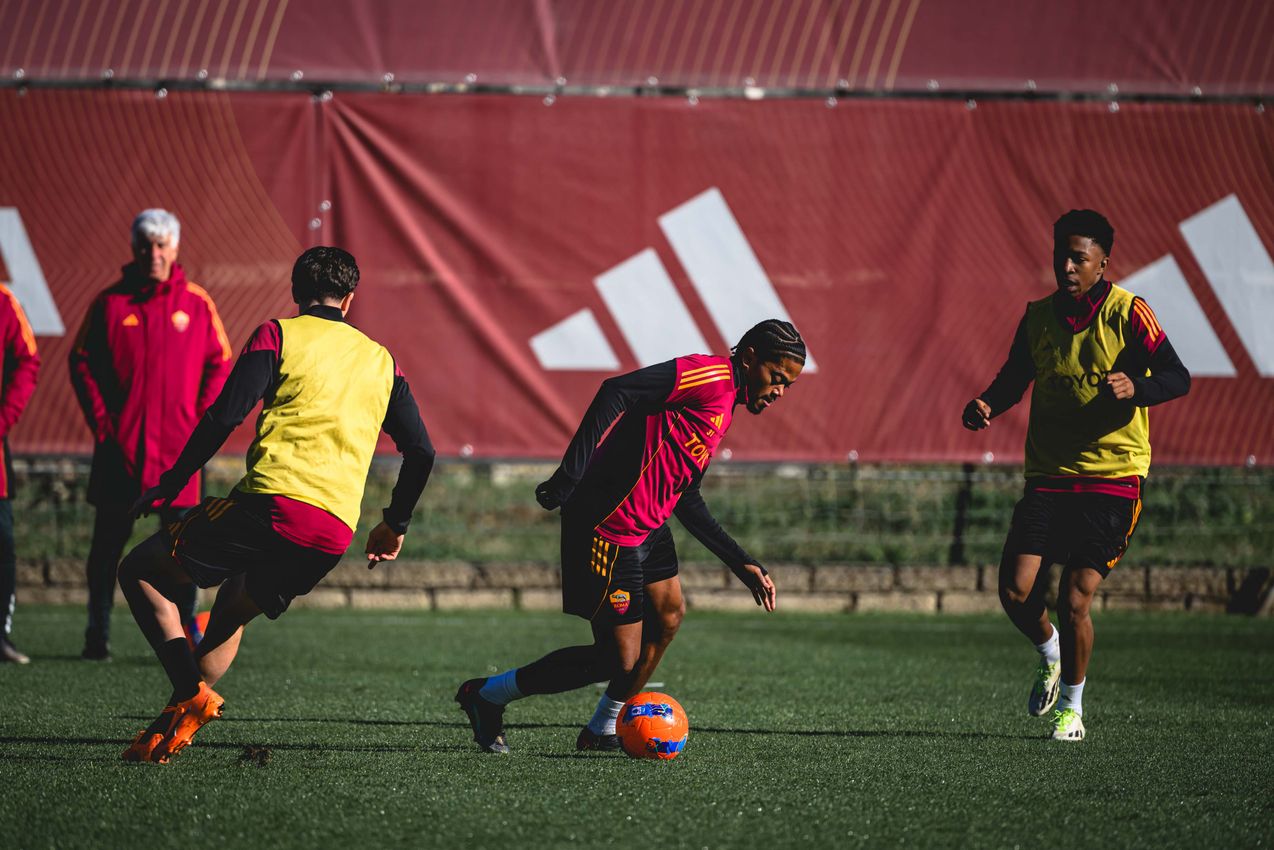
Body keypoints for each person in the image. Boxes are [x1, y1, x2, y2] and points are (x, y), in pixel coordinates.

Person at [115, 246, 435, 763]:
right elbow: (422, 451)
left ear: (295, 293)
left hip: (270, 506)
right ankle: (167, 731)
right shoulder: (382, 360)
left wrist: (172, 480)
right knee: (232, 610)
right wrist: (394, 523)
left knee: (140, 570)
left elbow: (224, 416)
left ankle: (186, 691)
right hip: (332, 533)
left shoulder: (278, 333)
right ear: (349, 300)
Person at [457, 319, 806, 753]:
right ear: (750, 357)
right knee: (615, 658)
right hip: (608, 527)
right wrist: (569, 476)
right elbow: (615, 390)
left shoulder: (728, 403)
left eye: (788, 386)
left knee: (669, 617)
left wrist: (741, 562)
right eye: (777, 378)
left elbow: (686, 494)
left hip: (650, 528)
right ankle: (487, 695)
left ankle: (601, 728)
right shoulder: (709, 375)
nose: (779, 392)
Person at [962, 209, 1190, 742]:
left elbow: (1178, 376)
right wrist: (986, 404)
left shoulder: (1129, 313)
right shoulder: (1038, 317)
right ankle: (1050, 653)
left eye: (1078, 258)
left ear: (1102, 262)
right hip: (1050, 475)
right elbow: (1015, 376)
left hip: (1114, 478)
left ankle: (1073, 708)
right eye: (1060, 255)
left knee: (1074, 597)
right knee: (1016, 593)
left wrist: (1139, 386)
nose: (1066, 266)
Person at [68, 209, 232, 660]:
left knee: (186, 551)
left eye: (162, 245)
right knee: (106, 552)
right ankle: (96, 633)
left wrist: (199, 422)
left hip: (178, 461)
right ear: (134, 248)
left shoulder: (197, 304)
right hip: (120, 459)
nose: (154, 254)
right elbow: (79, 362)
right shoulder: (109, 303)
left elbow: (220, 364)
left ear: (175, 249)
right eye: (146, 245)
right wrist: (105, 427)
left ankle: (186, 638)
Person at [0, 284, 40, 664]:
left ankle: (0, 635)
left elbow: (28, 361)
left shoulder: (4, 301)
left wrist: (2, 420)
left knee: (3, 545)